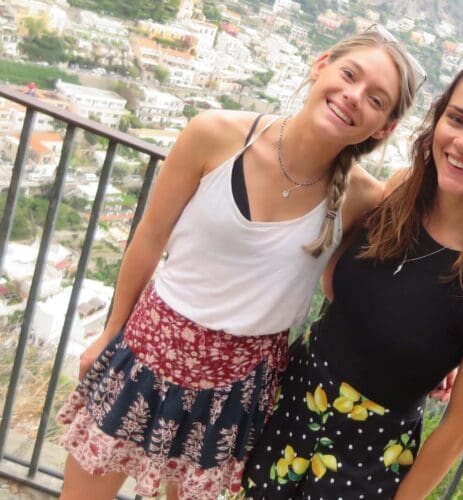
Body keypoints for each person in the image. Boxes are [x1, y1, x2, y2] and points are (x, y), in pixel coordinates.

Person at [56, 29, 419, 500]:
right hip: (146, 352)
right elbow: (149, 238)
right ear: (321, 64)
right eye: (349, 75)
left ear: (384, 128)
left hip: (234, 392)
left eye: (376, 99)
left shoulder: (362, 198)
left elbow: (379, 278)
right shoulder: (215, 134)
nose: (353, 96)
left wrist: (431, 357)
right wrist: (110, 332)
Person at [241, 57, 463, 499]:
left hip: (360, 463)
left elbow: (460, 430)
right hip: (290, 403)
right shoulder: (402, 192)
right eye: (457, 119)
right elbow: (344, 290)